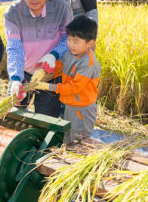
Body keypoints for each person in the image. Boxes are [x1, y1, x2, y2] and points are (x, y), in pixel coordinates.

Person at [5, 0, 72, 117]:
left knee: (46, 119)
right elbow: (14, 47)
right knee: (11, 116)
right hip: (22, 71)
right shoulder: (13, 13)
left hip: (50, 73)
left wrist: (54, 54)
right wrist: (16, 79)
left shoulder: (61, 8)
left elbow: (69, 37)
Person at [34, 15, 101, 144]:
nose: (71, 45)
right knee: (67, 137)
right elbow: (59, 67)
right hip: (69, 105)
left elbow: (74, 88)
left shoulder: (88, 64)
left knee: (79, 142)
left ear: (90, 43)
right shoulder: (69, 54)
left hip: (82, 109)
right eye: (69, 40)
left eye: (76, 41)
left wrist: (49, 87)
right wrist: (45, 72)